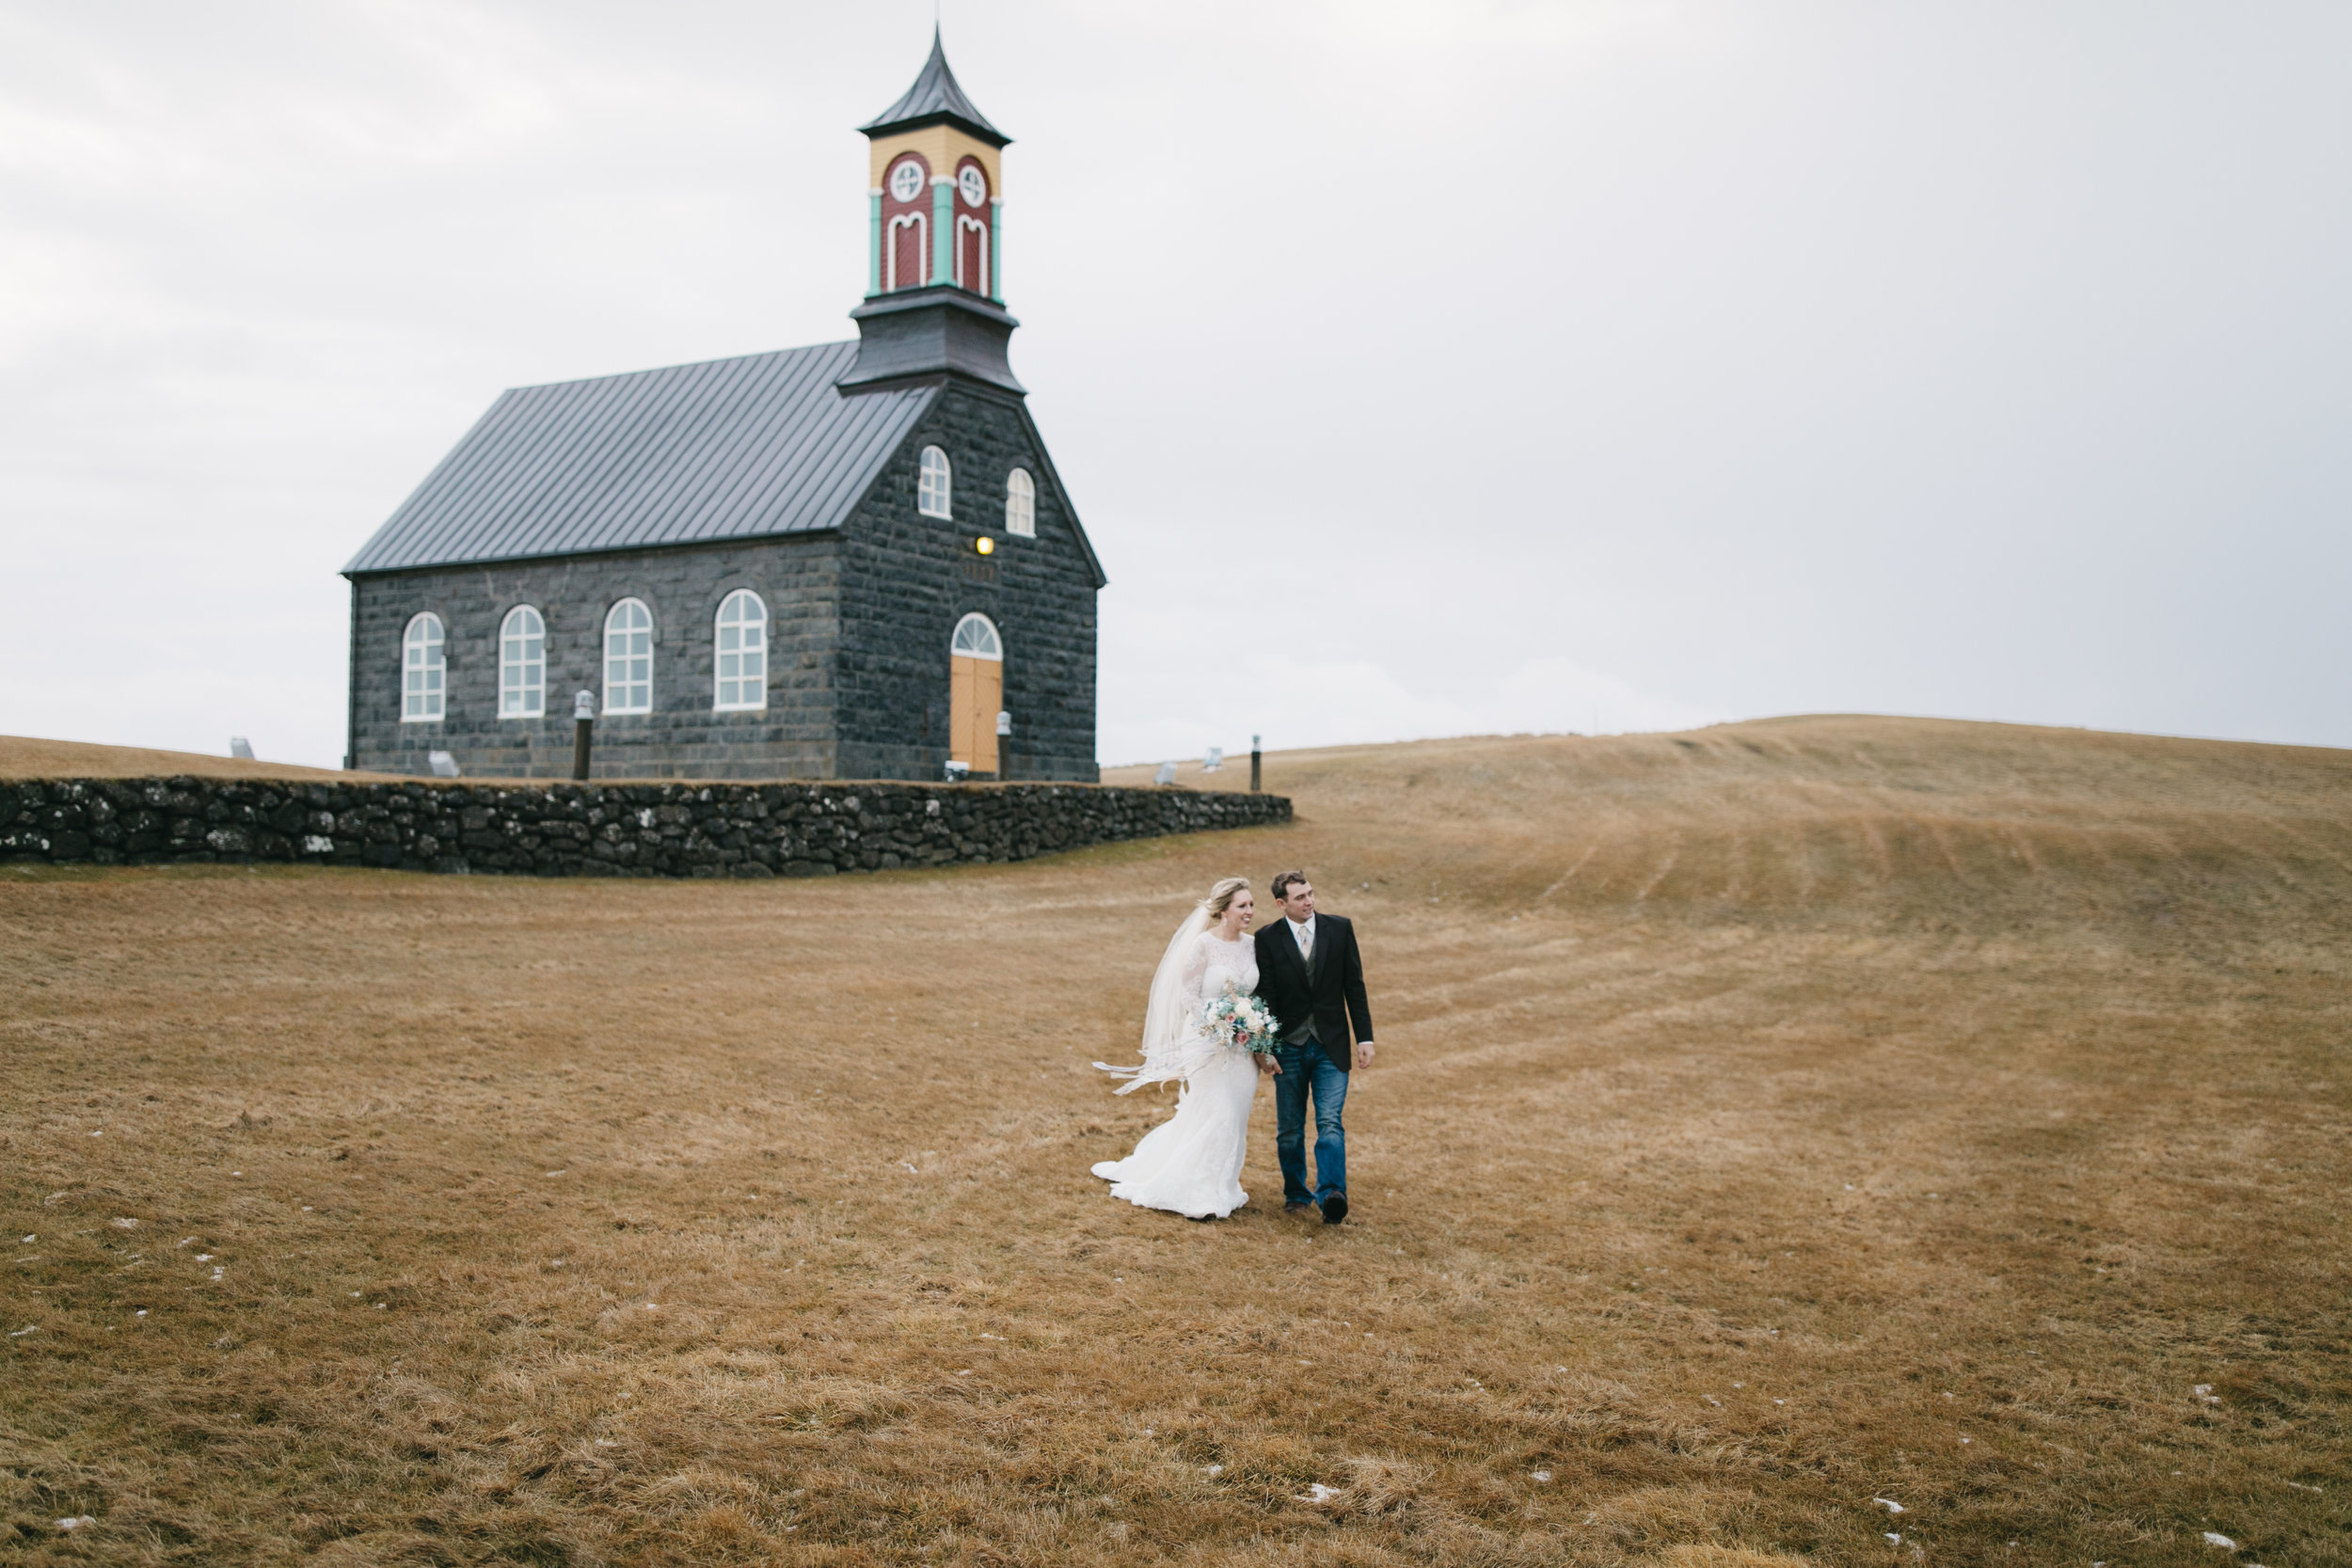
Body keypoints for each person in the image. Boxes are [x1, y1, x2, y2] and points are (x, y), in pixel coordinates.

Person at [1089, 877, 1265, 1220]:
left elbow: (1255, 994)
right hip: (1206, 1039)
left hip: (1243, 1046)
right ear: (1224, 910)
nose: (1249, 911)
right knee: (1219, 1110)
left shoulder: (1254, 945)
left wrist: (1251, 1027)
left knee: (1235, 1115)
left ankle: (1222, 1184)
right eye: (1242, 905)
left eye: (1251, 905)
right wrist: (1217, 1024)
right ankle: (1198, 1192)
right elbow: (1187, 993)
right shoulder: (1202, 944)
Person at [1250, 870, 1374, 1225]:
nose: (1309, 901)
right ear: (1281, 903)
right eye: (1300, 897)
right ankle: (1296, 1194)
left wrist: (1364, 1038)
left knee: (1330, 1123)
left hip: (1330, 1046)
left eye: (1310, 894)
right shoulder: (1268, 939)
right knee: (1289, 1130)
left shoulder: (1339, 928)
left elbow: (1355, 986)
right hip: (1288, 1048)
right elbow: (1265, 998)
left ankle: (1333, 1194)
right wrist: (1264, 1047)